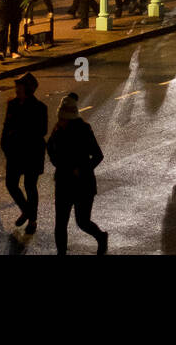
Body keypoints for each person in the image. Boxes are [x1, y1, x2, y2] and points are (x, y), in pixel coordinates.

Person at [47, 92, 108, 255]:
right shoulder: (58, 130)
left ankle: (101, 237)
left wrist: (81, 169)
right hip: (63, 183)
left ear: (71, 118)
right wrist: (57, 163)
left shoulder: (84, 130)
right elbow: (50, 149)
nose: (59, 121)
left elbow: (98, 155)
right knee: (60, 223)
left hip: (83, 184)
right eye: (59, 118)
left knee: (82, 222)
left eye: (63, 119)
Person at [0, 71, 48, 233]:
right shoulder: (12, 104)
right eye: (16, 86)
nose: (16, 89)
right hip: (14, 152)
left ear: (28, 89)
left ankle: (32, 221)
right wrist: (5, 144)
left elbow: (41, 130)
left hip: (32, 153)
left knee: (30, 186)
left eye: (19, 86)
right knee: (11, 184)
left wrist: (19, 132)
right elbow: (6, 126)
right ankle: (27, 210)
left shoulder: (40, 108)